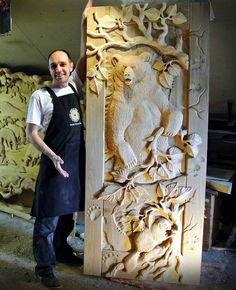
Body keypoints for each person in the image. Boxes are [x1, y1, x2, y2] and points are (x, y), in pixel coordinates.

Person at [26, 1, 93, 288]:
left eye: (63, 64)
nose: (59, 68)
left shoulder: (75, 86)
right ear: (49, 69)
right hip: (55, 164)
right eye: (53, 65)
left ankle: (63, 251)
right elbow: (32, 133)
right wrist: (52, 156)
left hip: (75, 163)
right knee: (47, 222)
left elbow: (85, 55)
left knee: (68, 216)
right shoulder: (40, 96)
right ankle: (44, 268)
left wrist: (83, 23)